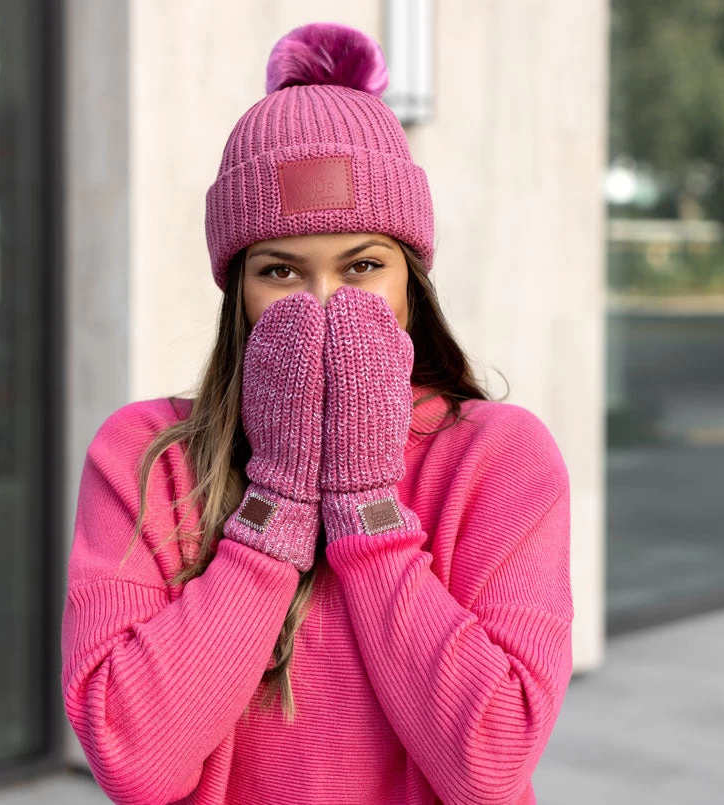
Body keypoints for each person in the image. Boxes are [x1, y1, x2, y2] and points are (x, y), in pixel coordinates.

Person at [62, 21, 573, 805]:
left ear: (411, 280)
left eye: (363, 265)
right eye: (281, 271)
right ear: (239, 292)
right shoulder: (145, 454)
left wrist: (367, 505)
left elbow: (489, 762)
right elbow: (134, 756)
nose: (324, 303)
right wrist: (279, 500)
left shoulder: (498, 457)